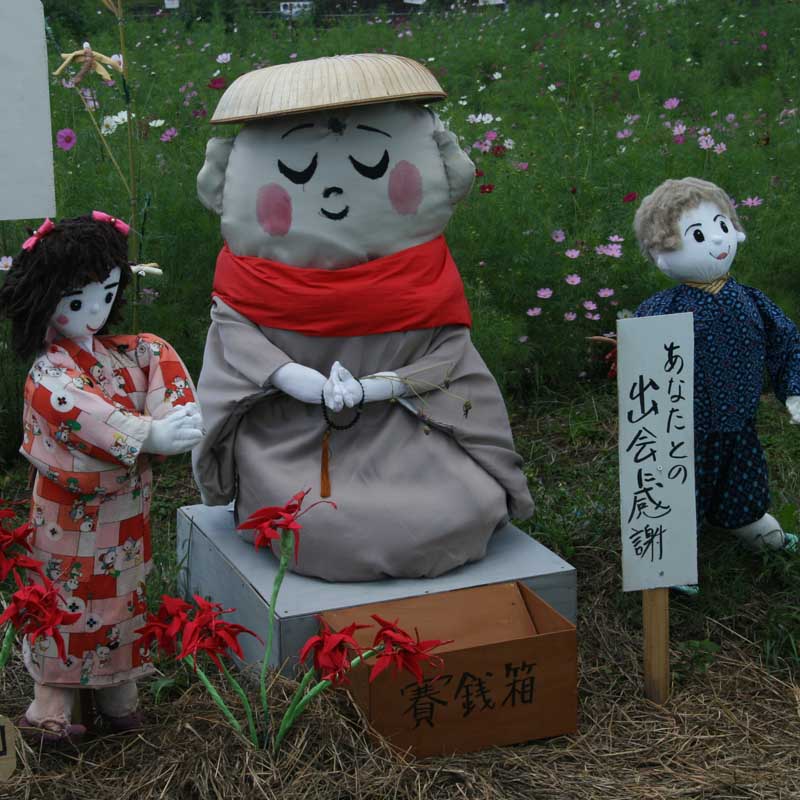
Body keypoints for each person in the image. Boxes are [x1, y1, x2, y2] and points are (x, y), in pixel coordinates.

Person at [0, 213, 204, 744]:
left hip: (126, 512)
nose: (94, 313)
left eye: (106, 296)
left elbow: (156, 358)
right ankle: (52, 706)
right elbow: (80, 412)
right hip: (70, 516)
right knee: (62, 603)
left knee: (123, 598)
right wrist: (150, 434)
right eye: (76, 302)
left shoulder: (124, 353)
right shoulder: (50, 373)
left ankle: (119, 697)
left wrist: (174, 417)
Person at [633, 178, 800, 591]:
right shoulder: (662, 308)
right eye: (697, 234)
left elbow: (786, 342)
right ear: (662, 249)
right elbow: (644, 361)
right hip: (683, 429)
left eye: (722, 226)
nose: (718, 241)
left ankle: (745, 520)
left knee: (743, 476)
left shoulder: (752, 300)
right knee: (680, 484)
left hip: (740, 420)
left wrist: (794, 389)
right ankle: (671, 553)